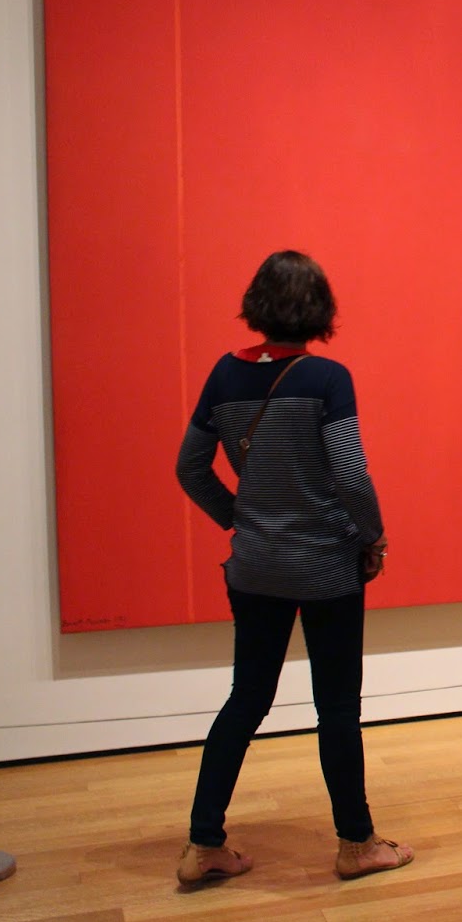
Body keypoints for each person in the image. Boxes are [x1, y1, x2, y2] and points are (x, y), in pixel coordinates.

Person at [173, 250, 414, 885]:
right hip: (327, 565)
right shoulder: (326, 378)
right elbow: (350, 474)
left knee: (246, 699)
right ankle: (357, 844)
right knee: (336, 707)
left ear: (257, 304)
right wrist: (373, 536)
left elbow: (190, 467)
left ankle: (203, 845)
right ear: (319, 310)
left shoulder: (225, 375)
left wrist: (238, 517)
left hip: (254, 566)